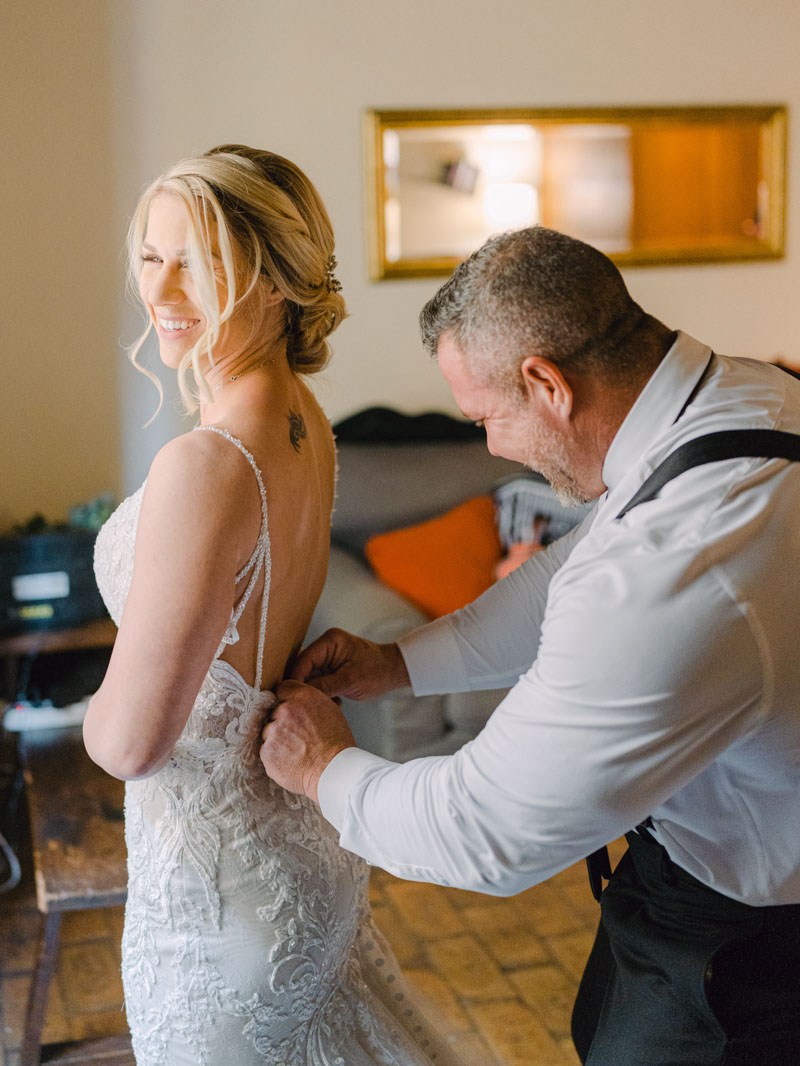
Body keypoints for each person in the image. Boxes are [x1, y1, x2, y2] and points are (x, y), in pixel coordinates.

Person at [260, 226, 800, 1066]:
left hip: (745, 949)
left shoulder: (679, 564)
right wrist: (398, 664)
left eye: (485, 417)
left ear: (547, 383)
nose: (490, 448)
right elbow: (568, 573)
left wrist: (323, 767)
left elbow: (487, 831)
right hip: (697, 868)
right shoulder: (743, 395)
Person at [84, 145, 459, 1066]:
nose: (164, 289)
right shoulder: (303, 417)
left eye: (200, 262)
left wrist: (85, 709)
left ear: (277, 281)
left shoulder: (206, 464)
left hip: (214, 897)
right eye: (150, 256)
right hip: (296, 849)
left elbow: (131, 743)